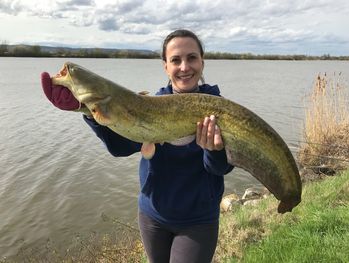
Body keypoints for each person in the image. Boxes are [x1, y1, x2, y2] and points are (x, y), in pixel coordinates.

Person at [41, 29, 234, 263]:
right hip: (152, 217)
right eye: (175, 60)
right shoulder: (149, 105)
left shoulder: (220, 110)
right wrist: (88, 111)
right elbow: (120, 147)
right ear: (165, 66)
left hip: (198, 221)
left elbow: (220, 169)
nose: (184, 67)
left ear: (202, 62)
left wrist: (213, 151)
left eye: (191, 58)